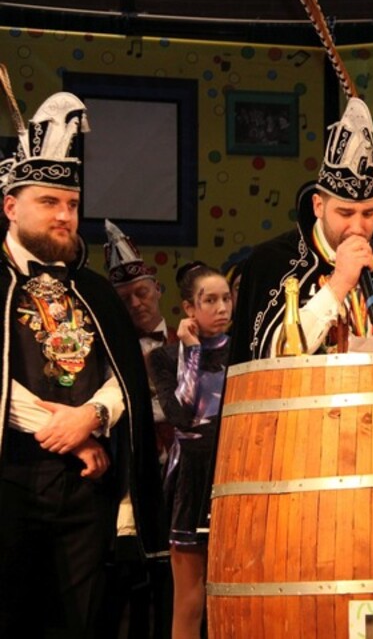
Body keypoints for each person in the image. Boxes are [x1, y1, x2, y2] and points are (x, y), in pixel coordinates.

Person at [0, 88, 161, 637]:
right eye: (49, 202)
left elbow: (126, 376)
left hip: (87, 491)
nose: (65, 216)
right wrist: (65, 432)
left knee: (83, 624)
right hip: (11, 479)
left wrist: (92, 418)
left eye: (71, 204)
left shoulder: (94, 289)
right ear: (11, 207)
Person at [230, 96, 373, 364]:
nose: (357, 227)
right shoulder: (273, 261)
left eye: (368, 213)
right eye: (345, 213)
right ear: (318, 205)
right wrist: (339, 284)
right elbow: (276, 358)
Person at [149, 262, 232, 639]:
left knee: (235, 593)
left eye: (226, 298)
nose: (222, 308)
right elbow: (181, 414)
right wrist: (193, 352)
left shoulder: (244, 352)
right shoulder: (165, 358)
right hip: (191, 480)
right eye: (210, 300)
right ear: (188, 308)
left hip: (234, 473)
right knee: (190, 599)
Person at [103, 218, 176, 639]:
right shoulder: (111, 355)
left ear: (158, 291)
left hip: (181, 479)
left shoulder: (188, 345)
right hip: (133, 477)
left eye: (142, 293)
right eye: (125, 299)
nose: (136, 304)